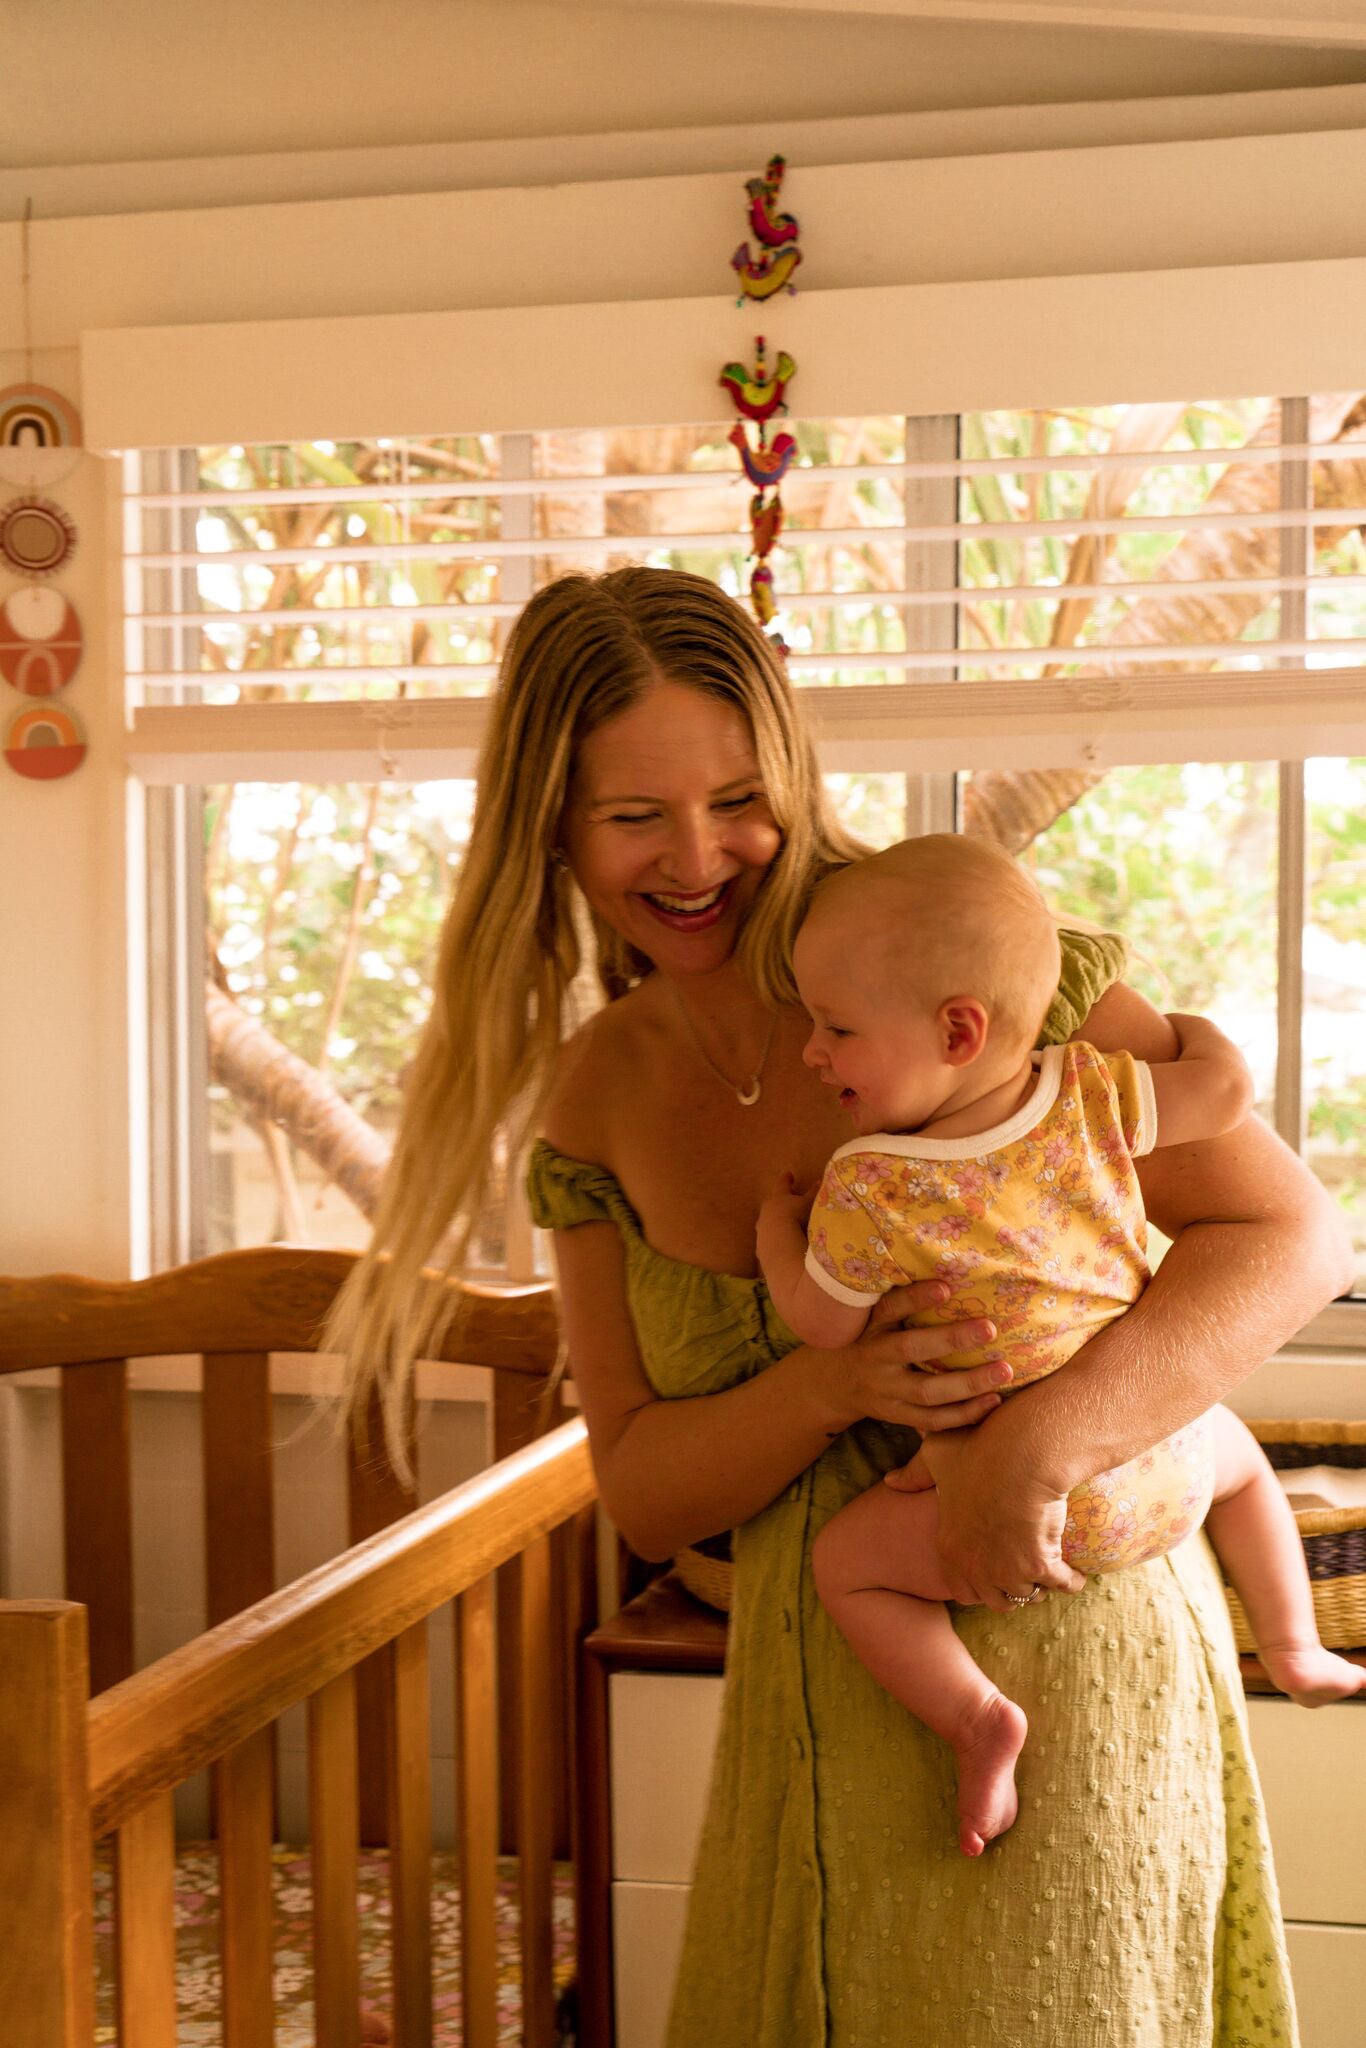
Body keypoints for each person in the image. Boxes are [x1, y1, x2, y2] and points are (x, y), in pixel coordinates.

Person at [329, 566, 1352, 2047]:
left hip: (1069, 1683)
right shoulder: (596, 1095)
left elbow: (1289, 1235)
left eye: (738, 799)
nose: (701, 860)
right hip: (806, 1719)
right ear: (548, 826)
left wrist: (1037, 1442)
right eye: (633, 818)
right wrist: (827, 1390)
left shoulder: (968, 969)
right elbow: (643, 1489)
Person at [756, 835, 1365, 1858]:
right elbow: (1219, 1091)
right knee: (1245, 1462)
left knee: (846, 1565)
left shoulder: (870, 1182)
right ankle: (1295, 1641)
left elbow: (822, 1324)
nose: (813, 1052)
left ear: (957, 1027)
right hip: (1157, 1459)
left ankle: (973, 1718)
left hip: (1012, 1512)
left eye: (834, 1028)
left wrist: (780, 1234)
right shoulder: (1090, 1092)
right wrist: (1200, 1032)